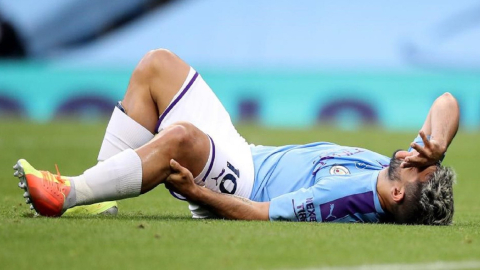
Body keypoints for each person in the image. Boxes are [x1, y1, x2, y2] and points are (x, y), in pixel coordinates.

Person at [13, 49, 459, 224]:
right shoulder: (388, 170)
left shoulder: (347, 198)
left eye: (420, 166)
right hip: (246, 153)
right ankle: (101, 201)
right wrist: (438, 142)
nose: (416, 152)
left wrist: (198, 194)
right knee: (157, 67)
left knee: (182, 138)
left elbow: (263, 215)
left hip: (242, 184)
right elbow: (446, 101)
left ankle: (68, 193)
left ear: (399, 193)